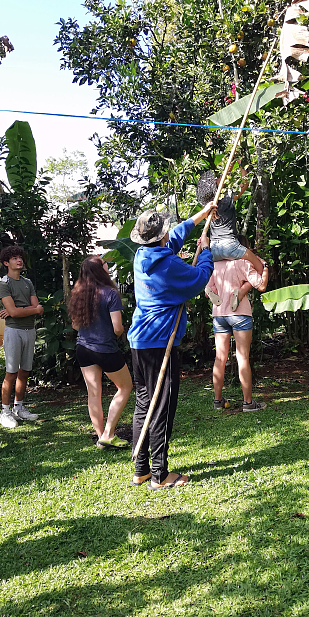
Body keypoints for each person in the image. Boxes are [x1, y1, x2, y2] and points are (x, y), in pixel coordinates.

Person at [128, 202, 215, 489]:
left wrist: (200, 216)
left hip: (140, 342)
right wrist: (205, 252)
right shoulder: (168, 265)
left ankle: (141, 469)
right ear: (160, 237)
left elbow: (172, 238)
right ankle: (159, 475)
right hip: (159, 343)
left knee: (144, 404)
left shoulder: (143, 255)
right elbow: (199, 279)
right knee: (161, 405)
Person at [69, 255, 132, 449]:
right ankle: (108, 433)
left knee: (93, 393)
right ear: (100, 270)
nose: (107, 265)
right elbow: (118, 328)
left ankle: (100, 436)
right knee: (125, 387)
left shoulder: (78, 294)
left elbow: (75, 326)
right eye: (104, 263)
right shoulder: (110, 293)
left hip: (83, 348)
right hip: (105, 349)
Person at [205, 240, 269, 412]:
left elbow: (209, 290)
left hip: (219, 314)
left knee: (220, 358)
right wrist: (265, 266)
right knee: (243, 358)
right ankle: (248, 403)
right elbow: (261, 285)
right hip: (240, 314)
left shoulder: (215, 263)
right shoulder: (243, 262)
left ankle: (217, 401)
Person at [0, 245, 43, 428]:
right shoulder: (4, 283)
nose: (19, 260)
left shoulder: (27, 282)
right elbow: (14, 313)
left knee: (25, 371)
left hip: (29, 330)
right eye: (14, 258)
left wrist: (18, 310)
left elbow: (38, 308)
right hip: (13, 331)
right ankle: (5, 411)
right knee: (11, 372)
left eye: (20, 257)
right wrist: (20, 311)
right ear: (6, 262)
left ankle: (19, 408)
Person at [197, 165, 264, 272]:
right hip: (229, 245)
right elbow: (245, 183)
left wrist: (231, 162)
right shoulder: (226, 199)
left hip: (214, 248)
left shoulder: (208, 207)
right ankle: (256, 286)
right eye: (214, 179)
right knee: (259, 266)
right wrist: (241, 164)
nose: (216, 178)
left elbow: (224, 176)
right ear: (215, 187)